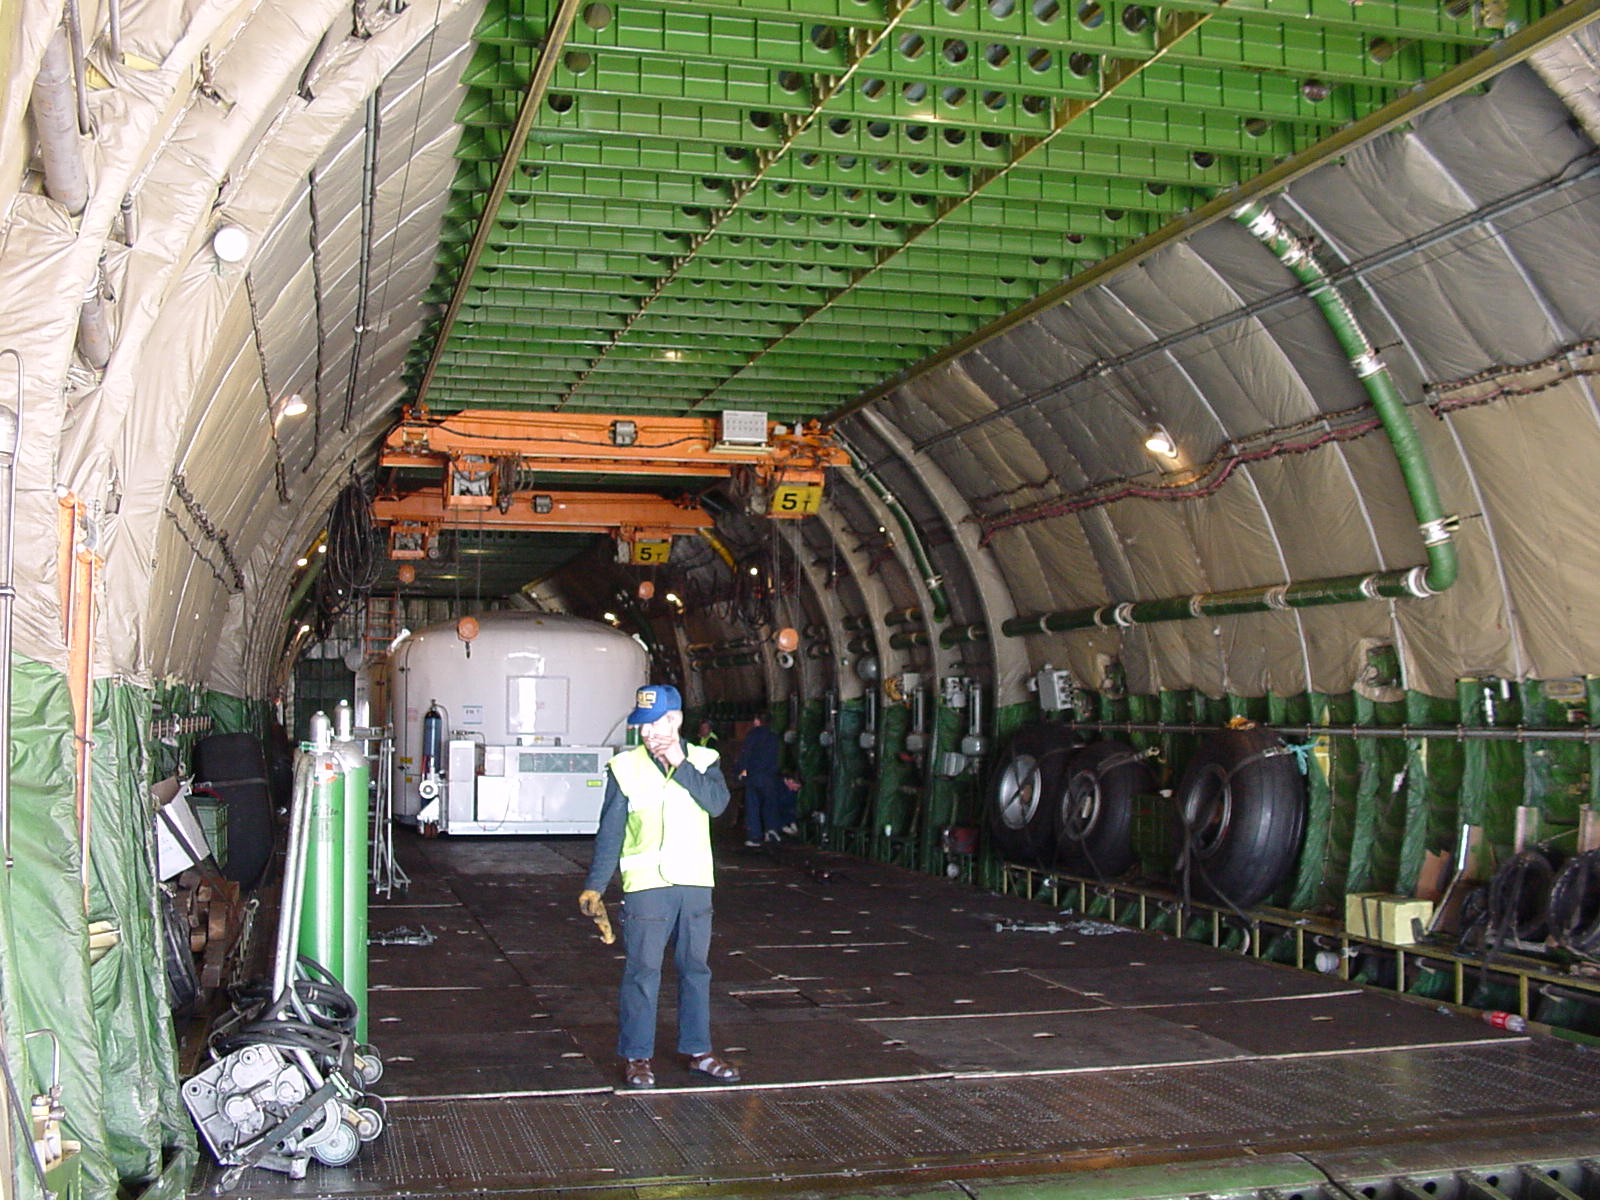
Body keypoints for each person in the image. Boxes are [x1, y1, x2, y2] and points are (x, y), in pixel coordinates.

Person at [578, 684, 741, 1089]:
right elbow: (611, 833)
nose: (648, 733)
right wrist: (596, 884)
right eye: (643, 726)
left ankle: (699, 1051)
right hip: (646, 889)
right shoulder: (624, 768)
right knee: (642, 972)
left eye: (656, 724)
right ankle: (637, 1057)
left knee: (695, 970)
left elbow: (717, 805)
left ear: (676, 720)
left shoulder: (705, 760)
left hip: (695, 887)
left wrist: (680, 763)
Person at [736, 712, 784, 846]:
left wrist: (742, 770)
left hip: (754, 775)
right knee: (770, 804)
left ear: (757, 721)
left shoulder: (752, 735)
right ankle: (771, 830)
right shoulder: (774, 737)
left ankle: (755, 837)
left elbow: (746, 754)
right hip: (770, 776)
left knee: (753, 806)